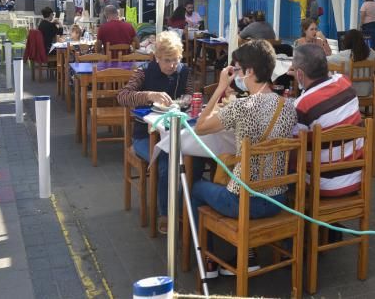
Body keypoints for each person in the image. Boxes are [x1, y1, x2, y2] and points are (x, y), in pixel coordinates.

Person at [192, 40, 297, 278]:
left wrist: (220, 88)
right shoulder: (288, 106)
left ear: (249, 71)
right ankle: (244, 253)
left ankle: (207, 258)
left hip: (244, 201)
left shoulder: (243, 106)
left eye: (237, 70)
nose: (235, 75)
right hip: (278, 198)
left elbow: (200, 127)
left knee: (197, 186)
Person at [117, 31, 194, 233]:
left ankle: (187, 208)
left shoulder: (184, 71)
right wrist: (149, 95)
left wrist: (186, 100)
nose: (172, 65)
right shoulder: (143, 72)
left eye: (176, 60)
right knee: (166, 159)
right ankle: (165, 213)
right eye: (167, 60)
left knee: (196, 158)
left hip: (178, 134)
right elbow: (123, 96)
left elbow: (189, 93)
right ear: (156, 58)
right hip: (145, 136)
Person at [293, 43, 363, 197]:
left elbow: (295, 149)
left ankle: (295, 218)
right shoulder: (345, 83)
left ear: (299, 74)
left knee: (286, 163)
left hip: (322, 185)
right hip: (356, 178)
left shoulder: (302, 105)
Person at [327, 29, 375, 97]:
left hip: (350, 92)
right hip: (367, 91)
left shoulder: (345, 55)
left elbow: (327, 60)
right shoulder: (371, 53)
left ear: (347, 41)